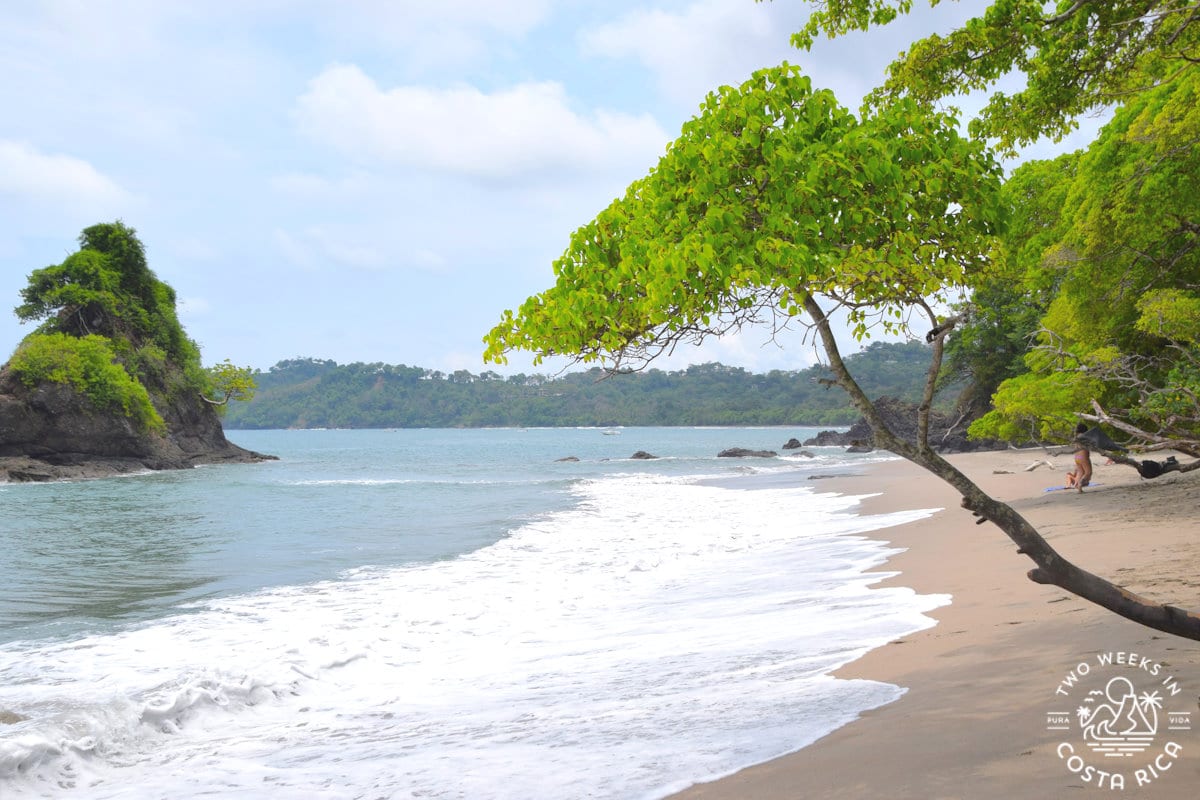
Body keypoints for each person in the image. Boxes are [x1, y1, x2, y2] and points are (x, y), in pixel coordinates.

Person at [1065, 422, 1093, 491]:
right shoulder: (1083, 436)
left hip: (1077, 457)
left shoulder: (1076, 437)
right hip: (1083, 456)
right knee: (1088, 472)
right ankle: (1080, 485)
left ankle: (1077, 486)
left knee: (1080, 472)